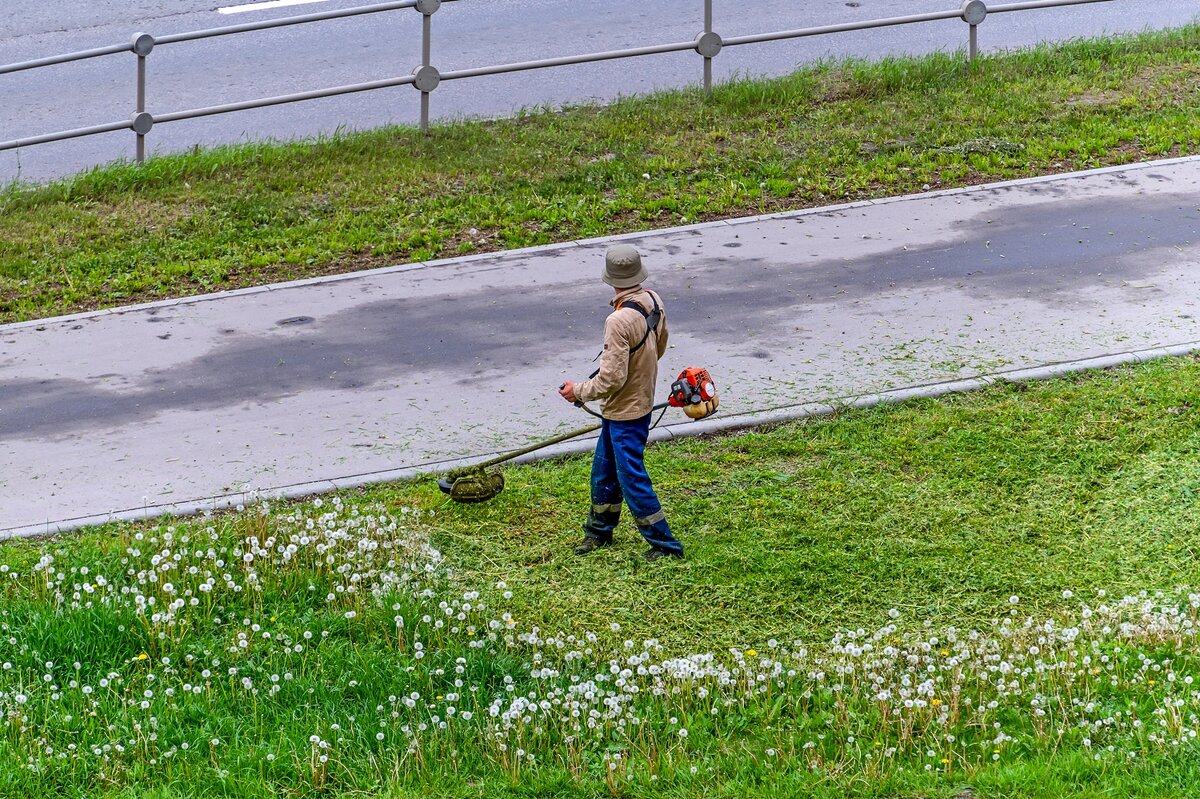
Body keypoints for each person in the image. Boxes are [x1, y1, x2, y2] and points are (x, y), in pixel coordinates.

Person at [558, 244, 684, 561]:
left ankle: (665, 545)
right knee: (604, 472)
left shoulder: (618, 321)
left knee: (632, 479)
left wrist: (578, 391)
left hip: (625, 413)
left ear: (610, 278)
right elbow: (661, 346)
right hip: (633, 405)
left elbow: (611, 379)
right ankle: (599, 532)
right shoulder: (654, 300)